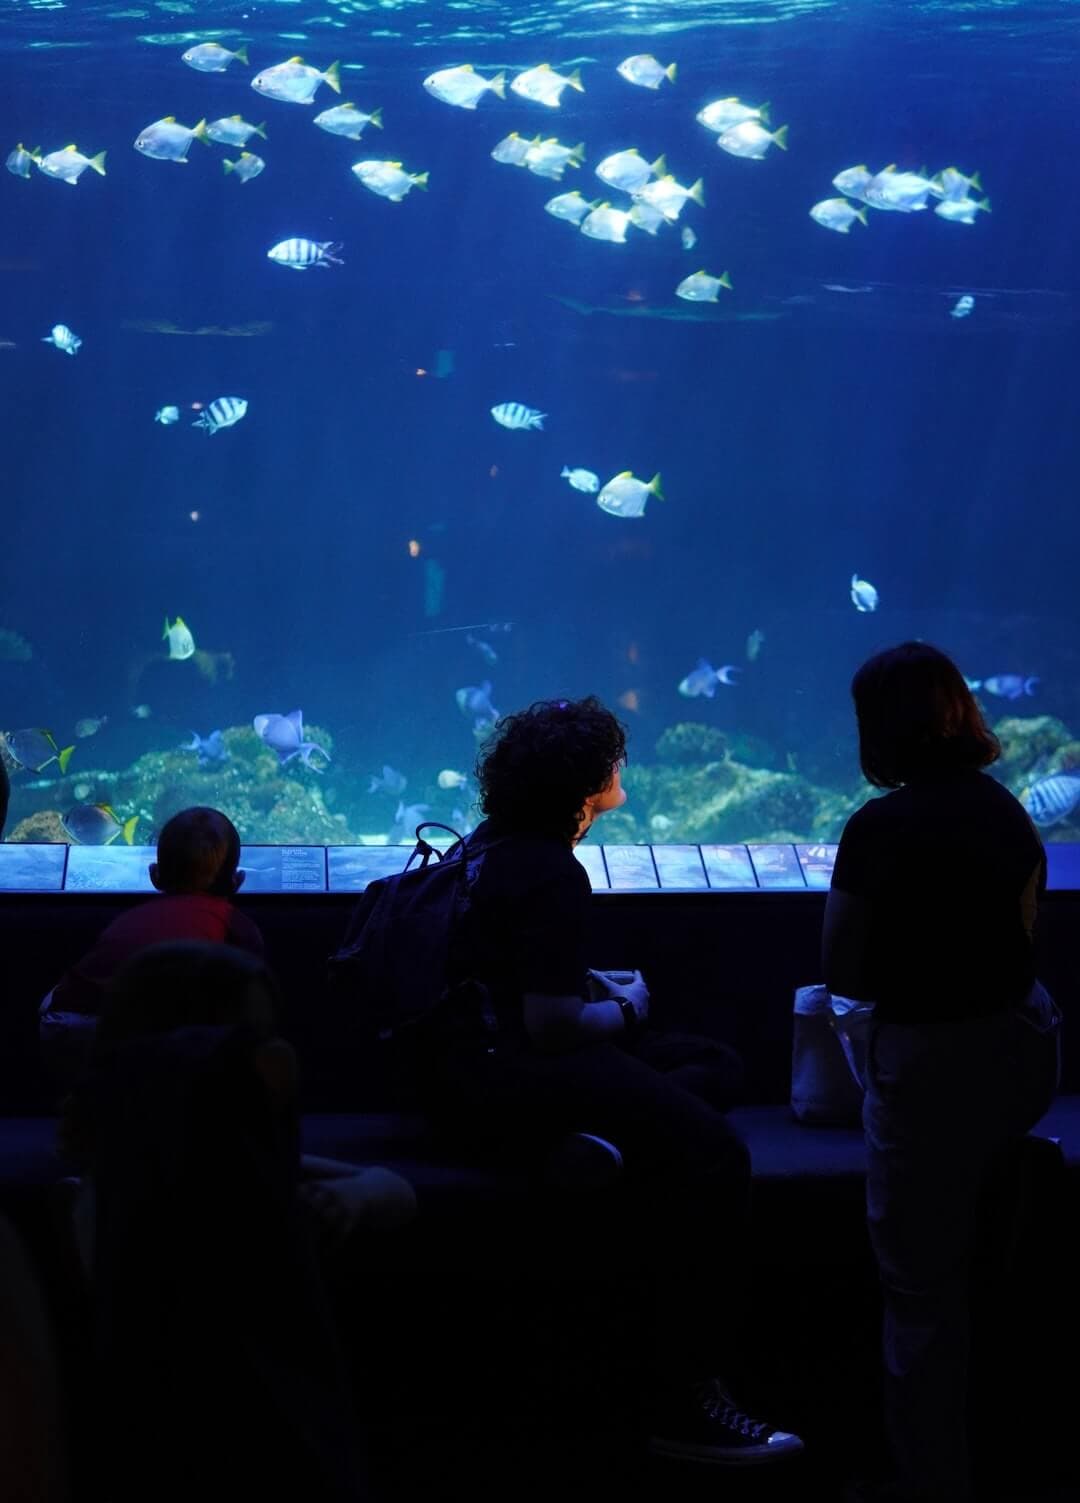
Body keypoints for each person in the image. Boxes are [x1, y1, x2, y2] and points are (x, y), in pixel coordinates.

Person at [397, 695, 802, 1466]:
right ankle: (686, 1395)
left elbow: (499, 969)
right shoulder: (550, 869)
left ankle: (575, 1143)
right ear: (585, 783)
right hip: (507, 1075)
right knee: (716, 1152)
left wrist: (588, 987)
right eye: (612, 758)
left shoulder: (489, 844)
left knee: (710, 1064)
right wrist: (628, 1008)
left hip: (450, 1072)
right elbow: (550, 1026)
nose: (622, 767)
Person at [823, 642, 1061, 1503]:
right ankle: (1018, 1458)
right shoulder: (1008, 814)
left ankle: (931, 1483)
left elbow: (841, 967)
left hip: (929, 1069)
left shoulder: (876, 828)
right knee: (995, 1256)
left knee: (921, 1289)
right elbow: (1025, 935)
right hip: (1018, 1051)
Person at [41, 806, 264, 1082]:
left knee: (52, 1005)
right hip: (196, 1057)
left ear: (154, 875)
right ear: (237, 881)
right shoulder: (241, 929)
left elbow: (75, 991)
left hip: (113, 1052)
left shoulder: (128, 923)